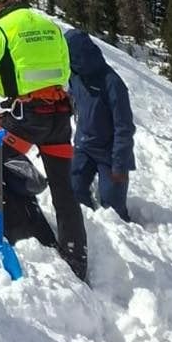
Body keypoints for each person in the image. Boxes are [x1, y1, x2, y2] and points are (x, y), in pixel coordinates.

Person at [0, 0, 88, 280]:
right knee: (63, 189)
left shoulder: (0, 29)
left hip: (27, 117)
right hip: (59, 115)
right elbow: (64, 71)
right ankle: (76, 257)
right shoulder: (49, 24)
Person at [66, 30, 135, 222]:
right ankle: (89, 228)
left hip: (110, 153)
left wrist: (120, 165)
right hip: (83, 146)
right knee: (73, 192)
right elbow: (73, 96)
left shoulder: (112, 83)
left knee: (113, 211)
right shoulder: (75, 74)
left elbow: (125, 128)